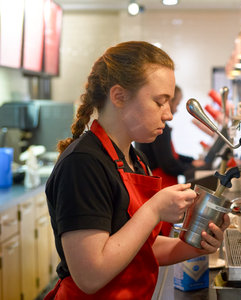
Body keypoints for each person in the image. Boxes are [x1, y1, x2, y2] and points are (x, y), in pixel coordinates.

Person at [44, 41, 230, 299]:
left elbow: (143, 250)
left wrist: (196, 245)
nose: (168, 115)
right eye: (159, 102)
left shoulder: (135, 159)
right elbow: (90, 275)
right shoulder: (83, 163)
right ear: (119, 96)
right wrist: (154, 209)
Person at [135, 85, 205, 189]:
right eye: (176, 104)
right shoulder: (161, 128)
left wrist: (190, 160)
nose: (174, 111)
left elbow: (168, 154)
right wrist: (191, 167)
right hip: (161, 184)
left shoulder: (154, 127)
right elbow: (168, 164)